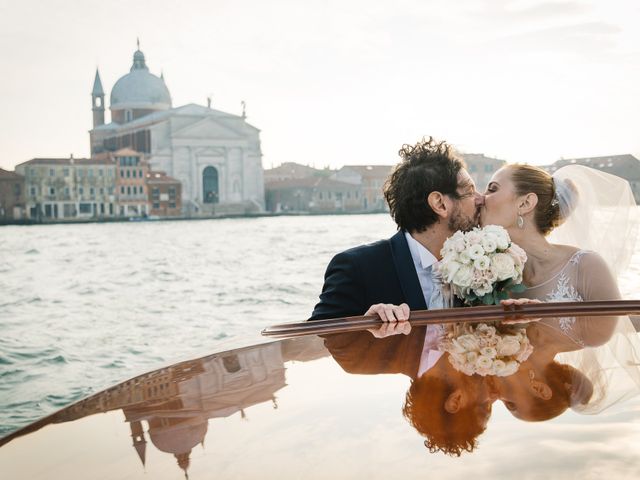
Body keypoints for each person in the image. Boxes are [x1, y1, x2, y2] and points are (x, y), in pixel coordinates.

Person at [479, 163, 640, 413]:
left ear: (525, 204)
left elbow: (621, 321)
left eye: (492, 189)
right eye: (509, 403)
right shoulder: (481, 270)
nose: (480, 198)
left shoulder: (585, 266)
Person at [309, 137, 484, 326]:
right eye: (469, 191)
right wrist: (364, 327)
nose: (480, 199)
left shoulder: (484, 265)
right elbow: (306, 343)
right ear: (440, 203)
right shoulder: (357, 268)